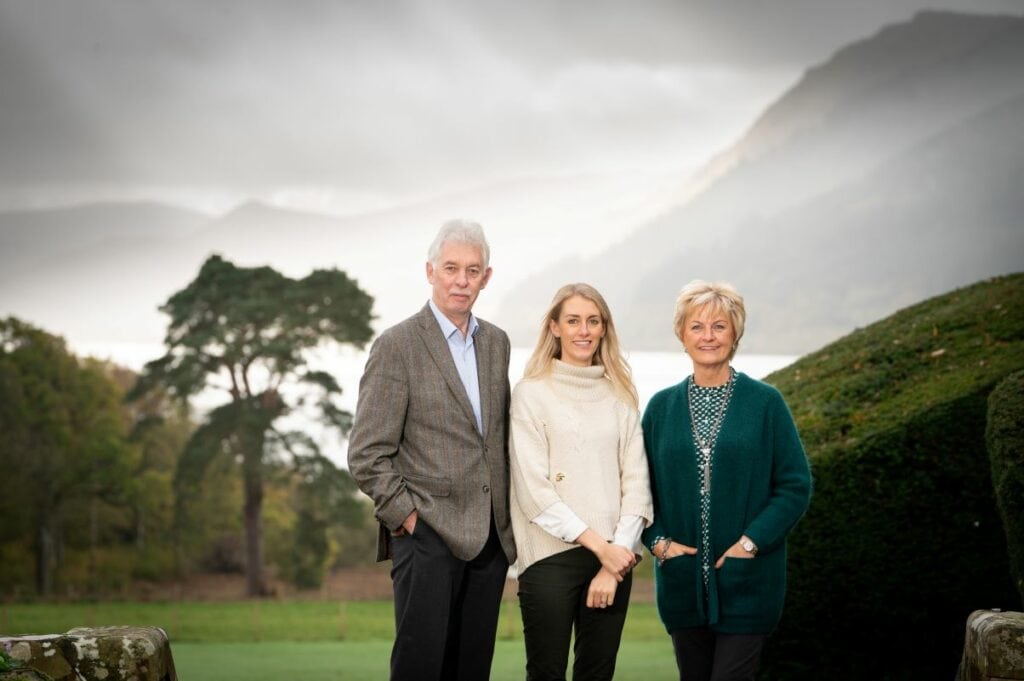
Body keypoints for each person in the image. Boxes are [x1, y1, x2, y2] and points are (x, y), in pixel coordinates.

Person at [347, 220, 516, 681]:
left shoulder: (496, 343)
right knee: (420, 667)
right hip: (427, 537)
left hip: (489, 541)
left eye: (473, 270)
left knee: (471, 668)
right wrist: (409, 518)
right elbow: (366, 453)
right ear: (430, 271)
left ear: (487, 276)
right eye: (451, 268)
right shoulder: (397, 345)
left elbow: (493, 439)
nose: (462, 280)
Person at [642, 279, 812, 681]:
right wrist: (658, 542)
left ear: (735, 333)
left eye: (719, 326)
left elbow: (795, 485)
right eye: (697, 326)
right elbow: (638, 489)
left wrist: (751, 544)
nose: (708, 336)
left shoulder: (765, 403)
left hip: (748, 583)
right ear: (681, 335)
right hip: (682, 585)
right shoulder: (660, 408)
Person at [509, 282, 653, 681]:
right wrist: (600, 547)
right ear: (555, 327)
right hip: (548, 558)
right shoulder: (529, 395)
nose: (583, 330)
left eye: (593, 321)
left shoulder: (621, 397)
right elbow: (532, 491)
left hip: (612, 561)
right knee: (546, 673)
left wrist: (613, 562)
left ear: (604, 328)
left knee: (597, 673)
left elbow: (637, 488)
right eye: (573, 320)